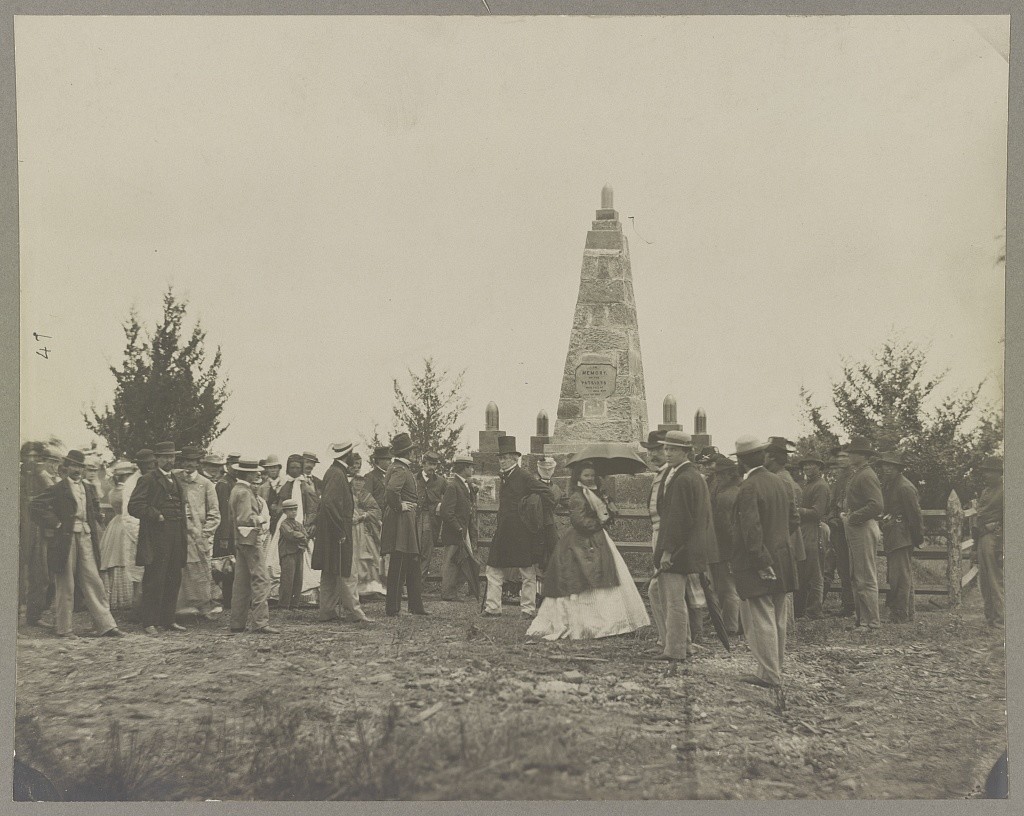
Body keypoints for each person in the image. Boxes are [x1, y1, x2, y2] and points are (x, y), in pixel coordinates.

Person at [528, 462, 649, 640]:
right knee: (584, 578)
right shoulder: (578, 496)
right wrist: (600, 521)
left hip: (598, 540)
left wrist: (609, 511)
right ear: (578, 477)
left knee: (606, 576)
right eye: (586, 475)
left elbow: (603, 513)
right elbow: (579, 522)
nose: (590, 478)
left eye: (592, 475)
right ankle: (587, 622)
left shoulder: (596, 493)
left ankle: (610, 621)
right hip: (581, 542)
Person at [30, 450, 124, 638]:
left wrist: (97, 518)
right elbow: (35, 505)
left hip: (86, 537)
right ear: (66, 467)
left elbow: (93, 509)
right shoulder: (59, 488)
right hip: (65, 539)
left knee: (93, 579)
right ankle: (64, 628)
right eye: (73, 466)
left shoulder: (88, 488)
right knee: (66, 582)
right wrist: (56, 523)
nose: (77, 470)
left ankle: (105, 625)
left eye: (80, 466)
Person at [730, 436, 798, 688]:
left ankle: (769, 674)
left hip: (757, 561)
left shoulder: (749, 487)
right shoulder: (780, 483)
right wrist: (777, 546)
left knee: (759, 618)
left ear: (741, 460)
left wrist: (760, 560)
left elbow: (751, 529)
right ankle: (773, 669)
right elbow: (794, 520)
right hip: (782, 557)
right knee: (778, 617)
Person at [651, 430, 715, 661]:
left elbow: (677, 519)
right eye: (666, 448)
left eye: (674, 449)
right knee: (661, 593)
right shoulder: (691, 475)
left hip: (678, 550)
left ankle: (675, 650)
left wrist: (667, 552)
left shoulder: (684, 478)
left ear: (686, 452)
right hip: (688, 547)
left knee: (673, 601)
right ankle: (684, 644)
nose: (668, 453)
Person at [128, 441, 190, 636]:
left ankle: (168, 619)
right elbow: (134, 506)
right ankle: (149, 622)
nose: (169, 460)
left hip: (176, 534)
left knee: (174, 577)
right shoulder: (148, 479)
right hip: (156, 536)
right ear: (157, 459)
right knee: (155, 578)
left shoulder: (176, 480)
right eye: (165, 457)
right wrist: (156, 515)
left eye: (172, 457)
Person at [483, 436, 547, 618]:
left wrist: (533, 514)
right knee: (493, 568)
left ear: (515, 458)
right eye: (500, 458)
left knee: (526, 570)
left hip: (521, 532)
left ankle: (528, 609)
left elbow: (546, 493)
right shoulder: (504, 477)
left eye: (506, 457)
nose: (502, 461)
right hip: (503, 531)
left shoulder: (524, 477)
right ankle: (493, 607)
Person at [314, 441, 372, 624]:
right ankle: (355, 612)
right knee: (347, 570)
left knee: (330, 570)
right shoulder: (338, 475)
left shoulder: (333, 472)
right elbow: (329, 503)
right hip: (337, 529)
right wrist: (340, 530)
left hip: (330, 529)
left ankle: (327, 611)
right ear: (347, 455)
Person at [382, 433, 428, 616]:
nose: (415, 454)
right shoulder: (400, 470)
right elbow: (392, 491)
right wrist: (399, 505)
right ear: (407, 452)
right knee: (399, 562)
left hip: (406, 520)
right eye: (412, 451)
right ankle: (393, 608)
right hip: (402, 521)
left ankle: (415, 606)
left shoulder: (399, 467)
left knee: (412, 562)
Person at [228, 458, 276, 634]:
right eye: (255, 472)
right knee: (261, 579)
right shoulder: (245, 492)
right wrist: (262, 519)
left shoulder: (236, 490)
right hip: (250, 539)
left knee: (241, 583)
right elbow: (247, 518)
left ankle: (237, 622)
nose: (258, 474)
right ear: (247, 474)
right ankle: (260, 622)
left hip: (240, 540)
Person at [875, 451, 924, 623]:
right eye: (884, 465)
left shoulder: (905, 487)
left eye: (891, 466)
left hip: (901, 536)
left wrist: (918, 538)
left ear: (898, 468)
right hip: (893, 535)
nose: (886, 469)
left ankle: (900, 613)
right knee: (898, 575)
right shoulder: (889, 485)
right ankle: (906, 612)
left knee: (900, 577)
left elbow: (915, 516)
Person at [841, 436, 883, 630]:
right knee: (858, 574)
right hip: (857, 526)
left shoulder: (866, 475)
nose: (849, 455)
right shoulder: (859, 473)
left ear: (862, 455)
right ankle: (863, 619)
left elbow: (876, 505)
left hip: (863, 526)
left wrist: (853, 517)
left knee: (866, 575)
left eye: (853, 452)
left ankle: (872, 621)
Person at [175, 446, 222, 619]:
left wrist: (204, 534)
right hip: (177, 532)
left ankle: (203, 606)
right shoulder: (175, 479)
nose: (189, 464)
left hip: (198, 535)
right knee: (178, 569)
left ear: (198, 463)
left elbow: (215, 514)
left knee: (200, 570)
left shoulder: (206, 484)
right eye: (186, 461)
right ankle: (179, 607)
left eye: (193, 461)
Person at [275, 453, 321, 604]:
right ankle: (283, 598)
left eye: (297, 467)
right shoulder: (286, 485)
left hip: (302, 525)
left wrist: (308, 524)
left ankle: (301, 597)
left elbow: (313, 506)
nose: (294, 470)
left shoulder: (306, 486)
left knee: (302, 566)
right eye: (291, 467)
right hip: (286, 523)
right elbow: (280, 503)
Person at [20, 443, 58, 627]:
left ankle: (33, 616)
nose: (32, 460)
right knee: (17, 575)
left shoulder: (41, 478)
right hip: (18, 532)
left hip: (38, 532)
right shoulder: (15, 476)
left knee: (40, 574)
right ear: (22, 457)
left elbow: (53, 496)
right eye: (29, 455)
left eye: (37, 457)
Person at [642, 430, 671, 653]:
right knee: (659, 589)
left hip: (667, 536)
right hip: (657, 533)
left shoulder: (672, 474)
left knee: (661, 589)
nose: (653, 455)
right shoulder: (660, 474)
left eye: (658, 450)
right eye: (651, 451)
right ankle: (667, 638)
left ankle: (671, 640)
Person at [97, 460, 138, 610]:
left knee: (115, 557)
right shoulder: (124, 491)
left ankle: (118, 597)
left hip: (116, 523)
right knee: (123, 557)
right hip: (125, 523)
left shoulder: (113, 491)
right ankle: (126, 598)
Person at [439, 456, 481, 601]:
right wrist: (458, 528)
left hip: (463, 531)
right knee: (451, 562)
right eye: (470, 467)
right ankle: (448, 593)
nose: (472, 469)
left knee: (464, 561)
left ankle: (453, 591)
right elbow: (446, 511)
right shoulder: (453, 486)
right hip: (454, 532)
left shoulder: (463, 484)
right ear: (464, 468)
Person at [709, 454, 742, 636]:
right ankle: (737, 623)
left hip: (726, 546)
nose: (718, 478)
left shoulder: (727, 495)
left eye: (721, 474)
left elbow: (724, 525)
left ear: (730, 474)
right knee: (730, 586)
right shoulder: (736, 490)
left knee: (727, 588)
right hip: (730, 546)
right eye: (717, 474)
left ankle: (730, 626)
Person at [796, 453, 830, 620]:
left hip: (815, 530)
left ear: (819, 467)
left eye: (812, 465)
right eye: (805, 465)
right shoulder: (806, 485)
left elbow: (818, 512)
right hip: (804, 530)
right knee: (803, 570)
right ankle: (801, 609)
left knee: (815, 572)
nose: (807, 468)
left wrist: (797, 511)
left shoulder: (821, 486)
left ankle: (814, 610)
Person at [824, 447, 855, 616]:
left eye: (845, 456)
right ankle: (847, 603)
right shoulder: (839, 478)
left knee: (848, 566)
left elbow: (848, 503)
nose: (841, 459)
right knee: (840, 566)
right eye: (839, 457)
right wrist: (830, 517)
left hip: (847, 527)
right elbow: (833, 502)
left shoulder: (852, 477)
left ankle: (851, 604)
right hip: (836, 527)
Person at [351, 452, 387, 599]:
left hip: (363, 528)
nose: (356, 468)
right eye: (353, 465)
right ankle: (353, 590)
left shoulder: (363, 487)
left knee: (369, 556)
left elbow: (375, 508)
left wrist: (364, 515)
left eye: (358, 465)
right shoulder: (343, 484)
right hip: (348, 526)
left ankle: (370, 589)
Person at [975, 456, 1004, 628]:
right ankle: (990, 617)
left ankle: (1001, 620)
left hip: (995, 538)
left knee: (995, 580)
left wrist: (1001, 547)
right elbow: (980, 515)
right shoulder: (986, 491)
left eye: (989, 471)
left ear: (998, 473)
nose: (986, 474)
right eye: (985, 471)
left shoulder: (1005, 490)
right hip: (983, 537)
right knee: (985, 581)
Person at [213, 454, 240, 609]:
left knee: (234, 566)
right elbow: (224, 511)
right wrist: (224, 536)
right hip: (227, 532)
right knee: (227, 566)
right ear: (227, 466)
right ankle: (228, 600)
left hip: (233, 531)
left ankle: (232, 599)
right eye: (233, 465)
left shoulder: (233, 483)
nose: (235, 469)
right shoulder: (224, 484)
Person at [275, 498, 309, 610]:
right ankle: (284, 605)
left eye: (295, 509)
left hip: (298, 552)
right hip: (288, 554)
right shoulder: (284, 524)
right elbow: (290, 535)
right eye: (290, 510)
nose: (293, 512)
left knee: (298, 579)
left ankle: (294, 604)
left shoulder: (298, 524)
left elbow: (305, 537)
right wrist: (301, 536)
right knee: (287, 579)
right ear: (285, 512)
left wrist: (301, 537)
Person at [416, 452, 446, 581]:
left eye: (435, 465)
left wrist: (441, 504)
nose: (432, 468)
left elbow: (450, 496)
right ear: (423, 464)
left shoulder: (441, 481)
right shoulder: (414, 479)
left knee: (426, 551)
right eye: (430, 464)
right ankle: (408, 583)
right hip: (414, 518)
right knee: (413, 550)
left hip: (431, 519)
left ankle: (418, 583)